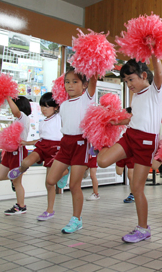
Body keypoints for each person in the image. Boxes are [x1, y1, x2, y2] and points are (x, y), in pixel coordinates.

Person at [97, 56, 162, 243]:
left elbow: (158, 72)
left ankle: (143, 229)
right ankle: (98, 144)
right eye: (125, 81)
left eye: (130, 79)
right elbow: (135, 118)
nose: (128, 84)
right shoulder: (136, 96)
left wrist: (154, 52)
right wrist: (117, 121)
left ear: (143, 75)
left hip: (146, 143)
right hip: (130, 135)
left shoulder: (155, 90)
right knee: (102, 161)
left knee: (137, 188)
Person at [44, 68, 97, 233]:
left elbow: (94, 80)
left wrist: (93, 65)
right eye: (67, 82)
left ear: (84, 85)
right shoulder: (63, 104)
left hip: (81, 143)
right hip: (65, 143)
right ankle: (68, 170)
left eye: (75, 82)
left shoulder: (87, 99)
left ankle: (76, 219)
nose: (70, 85)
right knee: (51, 180)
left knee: (74, 186)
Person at [7, 92, 63, 221]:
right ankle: (19, 171)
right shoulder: (42, 122)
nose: (44, 109)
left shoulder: (60, 117)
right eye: (42, 106)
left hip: (55, 148)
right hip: (42, 146)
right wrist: (27, 143)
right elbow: (41, 139)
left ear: (56, 107)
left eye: (47, 106)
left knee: (49, 183)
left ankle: (49, 210)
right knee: (26, 162)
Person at [0, 96, 31, 215]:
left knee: (17, 182)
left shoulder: (23, 118)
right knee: (0, 176)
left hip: (19, 151)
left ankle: (21, 206)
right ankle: (13, 177)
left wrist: (7, 97)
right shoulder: (17, 120)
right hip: (10, 152)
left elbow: (15, 111)